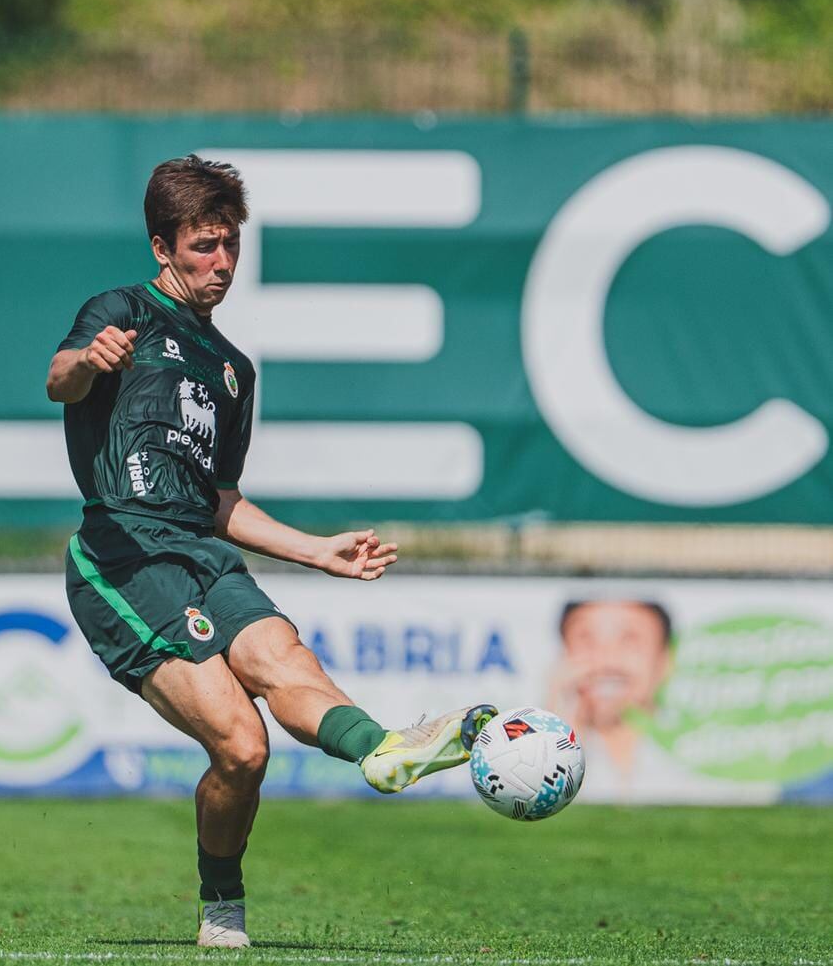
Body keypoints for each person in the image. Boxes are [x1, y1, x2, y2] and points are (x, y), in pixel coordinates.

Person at [47, 154, 495, 949]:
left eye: (229, 246)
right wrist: (89, 360)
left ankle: (384, 747)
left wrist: (316, 551)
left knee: (283, 658)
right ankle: (221, 903)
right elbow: (59, 380)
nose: (220, 263)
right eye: (202, 248)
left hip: (198, 549)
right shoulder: (122, 312)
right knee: (242, 747)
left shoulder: (233, 370)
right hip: (121, 554)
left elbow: (220, 500)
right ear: (163, 247)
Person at [550, 598, 776, 804]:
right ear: (563, 655)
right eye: (587, 641)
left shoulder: (708, 752)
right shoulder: (540, 752)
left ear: (664, 660)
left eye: (629, 641)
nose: (607, 660)